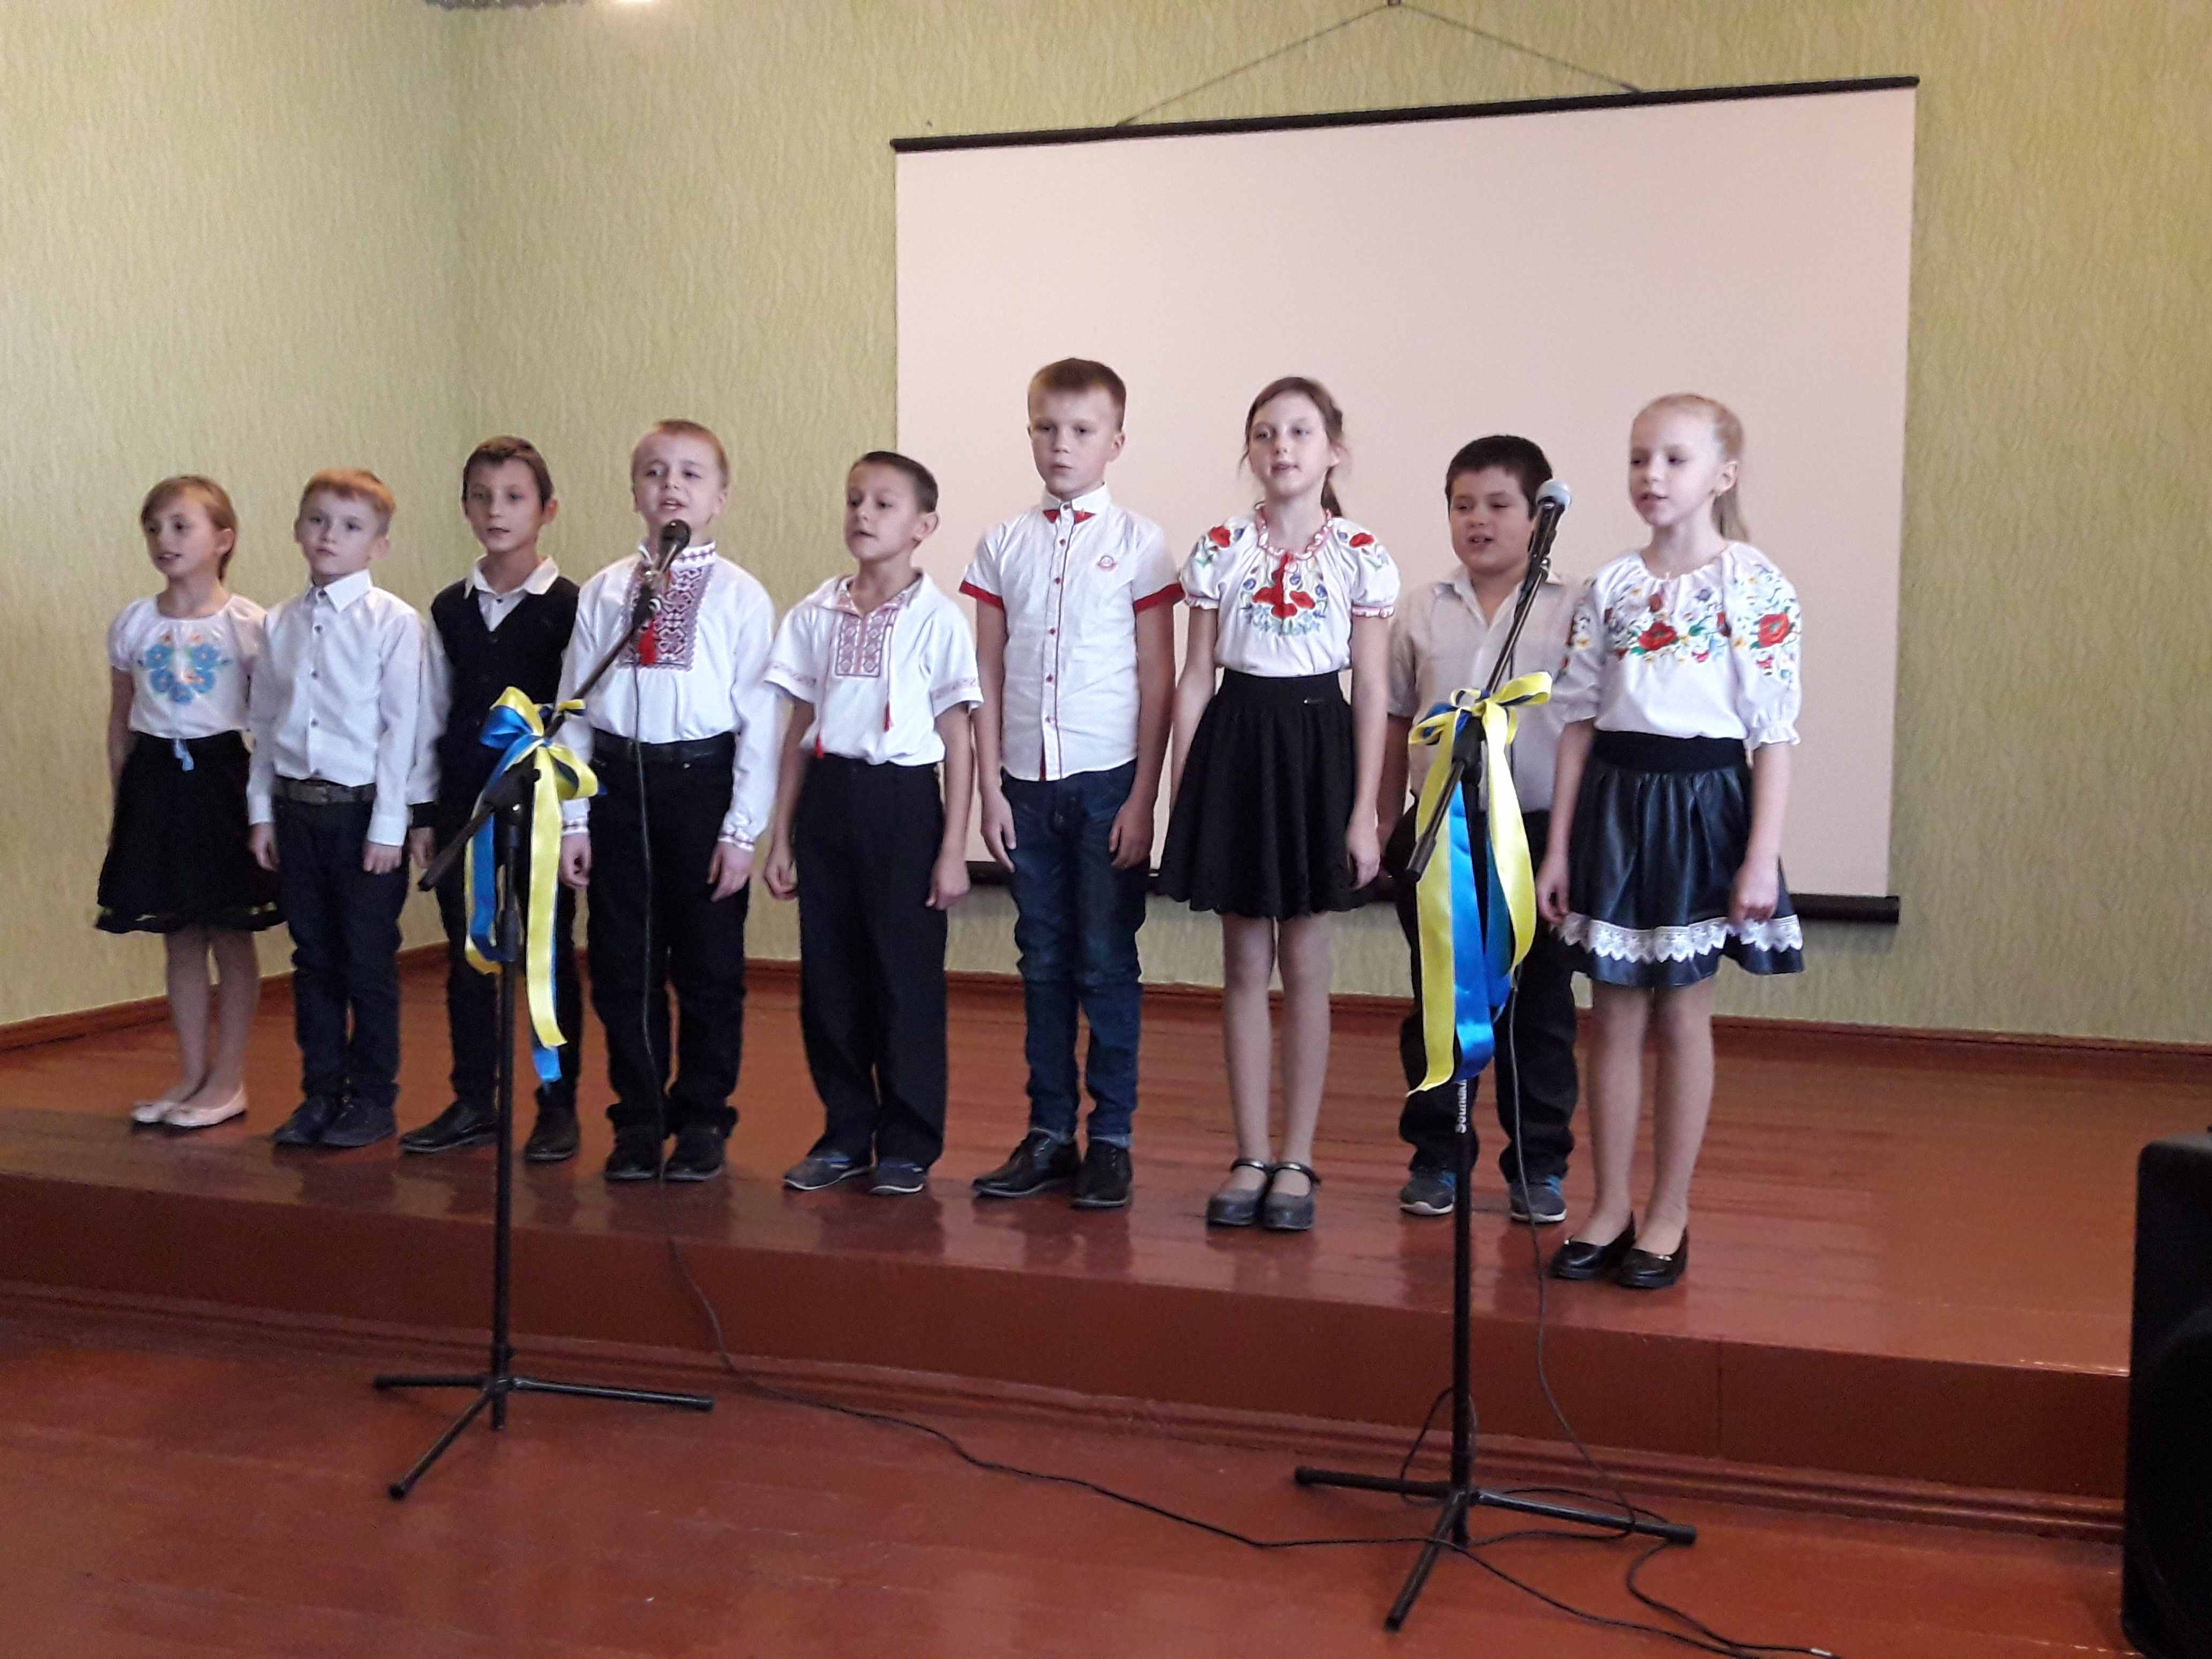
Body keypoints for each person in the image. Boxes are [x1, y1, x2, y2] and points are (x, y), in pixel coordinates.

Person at [1536, 393, 1804, 1290]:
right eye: (1638, 458)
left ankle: (1668, 1211)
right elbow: (1577, 723)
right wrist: (1559, 848)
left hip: (1703, 805)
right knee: (1612, 1013)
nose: (1651, 475)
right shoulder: (1609, 586)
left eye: (1675, 459)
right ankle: (1609, 1205)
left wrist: (1759, 854)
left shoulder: (1753, 584)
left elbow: (1771, 734)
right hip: (1616, 804)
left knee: (1683, 1014)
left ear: (1722, 475)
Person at [1159, 376, 1399, 1232]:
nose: (1281, 447)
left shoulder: (1362, 554)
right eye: (1265, 433)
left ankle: (1297, 1156)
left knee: (1306, 964)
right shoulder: (1221, 547)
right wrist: (1185, 790)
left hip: (1317, 749)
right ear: (1250, 452)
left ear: (1333, 450)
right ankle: (1250, 1151)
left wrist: (1365, 810)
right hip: (1238, 745)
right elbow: (1196, 677)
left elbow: (1372, 690)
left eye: (1299, 432)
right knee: (1241, 964)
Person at [962, 358, 1179, 1211]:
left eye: (1082, 431)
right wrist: (989, 791)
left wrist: (1143, 800)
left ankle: (1112, 1139)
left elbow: (1158, 679)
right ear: (1029, 433)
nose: (1062, 445)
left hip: (1107, 787)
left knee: (1106, 962)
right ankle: (1049, 1132)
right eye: (1047, 428)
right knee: (1043, 961)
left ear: (1115, 443)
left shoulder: (1141, 545)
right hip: (1025, 785)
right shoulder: (1001, 545)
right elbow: (984, 672)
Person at [556, 420, 779, 1185]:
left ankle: (704, 1117)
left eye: (690, 473)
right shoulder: (604, 591)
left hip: (701, 788)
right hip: (618, 787)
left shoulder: (742, 596)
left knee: (709, 967)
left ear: (720, 498)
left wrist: (741, 831)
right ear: (634, 493)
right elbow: (574, 707)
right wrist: (576, 817)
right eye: (655, 472)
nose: (671, 485)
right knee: (623, 965)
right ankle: (639, 1119)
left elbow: (760, 724)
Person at [763, 452, 981, 1197]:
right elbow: (797, 730)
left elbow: (958, 740)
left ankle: (909, 1141)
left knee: (904, 978)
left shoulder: (938, 620)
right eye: (855, 499)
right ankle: (846, 1131)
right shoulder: (814, 614)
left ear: (924, 526)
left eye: (885, 504)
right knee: (830, 979)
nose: (863, 513)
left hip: (903, 805)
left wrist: (953, 850)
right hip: (829, 799)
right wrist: (782, 835)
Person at [1379, 437, 1579, 1224]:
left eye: (1499, 505)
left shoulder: (1574, 607)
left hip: (1536, 834)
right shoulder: (1422, 608)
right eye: (1463, 505)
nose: (1479, 521)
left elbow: (1588, 727)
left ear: (1537, 517)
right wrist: (1385, 817)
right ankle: (1437, 1156)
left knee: (1540, 1008)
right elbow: (1394, 716)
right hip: (1443, 831)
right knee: (1441, 1001)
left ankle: (1538, 1164)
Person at [401, 438, 584, 1163]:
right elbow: (431, 710)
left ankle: (557, 1103)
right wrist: (423, 810)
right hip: (463, 803)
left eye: (513, 497)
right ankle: (475, 1098)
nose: (496, 511)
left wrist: (575, 820)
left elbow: (579, 718)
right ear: (465, 507)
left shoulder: (570, 606)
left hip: (541, 806)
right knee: (468, 952)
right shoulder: (449, 608)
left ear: (547, 510)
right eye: (482, 497)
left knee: (546, 954)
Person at [247, 469, 424, 1150]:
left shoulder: (394, 623)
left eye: (351, 526)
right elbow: (265, 724)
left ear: (378, 545)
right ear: (298, 529)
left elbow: (401, 729)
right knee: (313, 959)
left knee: (368, 963)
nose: (330, 535)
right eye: (318, 520)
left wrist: (390, 826)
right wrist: (262, 812)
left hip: (361, 818)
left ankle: (373, 1099)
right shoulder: (279, 623)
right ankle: (320, 1093)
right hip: (297, 813)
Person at [100, 476, 282, 1130]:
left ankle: (228, 1078)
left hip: (222, 780)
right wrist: (123, 801)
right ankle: (192, 1072)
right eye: (154, 528)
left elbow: (269, 725)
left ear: (223, 540)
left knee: (228, 932)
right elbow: (121, 720)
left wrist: (264, 810)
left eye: (182, 526)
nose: (164, 540)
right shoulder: (135, 623)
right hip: (156, 782)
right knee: (178, 936)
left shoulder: (249, 625)